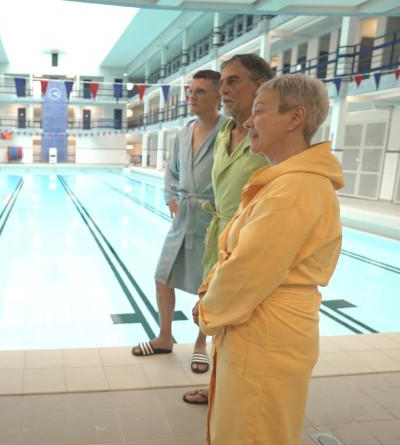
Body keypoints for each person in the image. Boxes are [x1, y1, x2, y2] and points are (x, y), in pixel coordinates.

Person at [192, 73, 342, 444]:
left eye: (259, 110)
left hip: (265, 337)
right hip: (258, 329)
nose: (247, 121)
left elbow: (248, 271)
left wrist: (208, 309)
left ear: (295, 118)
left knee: (254, 433)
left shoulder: (294, 189)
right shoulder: (285, 181)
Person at [182, 53, 271, 405]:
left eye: (233, 80)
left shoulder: (271, 134)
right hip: (218, 239)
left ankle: (242, 393)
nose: (224, 89)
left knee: (244, 323)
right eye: (223, 82)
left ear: (260, 86)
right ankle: (220, 387)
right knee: (219, 322)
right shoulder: (224, 134)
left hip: (250, 245)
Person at [131, 70, 226, 374]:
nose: (192, 97)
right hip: (183, 215)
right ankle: (164, 337)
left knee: (207, 286)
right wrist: (170, 198)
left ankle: (201, 344)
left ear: (217, 96)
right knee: (163, 276)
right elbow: (171, 172)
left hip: (212, 220)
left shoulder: (228, 132)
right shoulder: (184, 132)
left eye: (199, 92)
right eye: (190, 91)